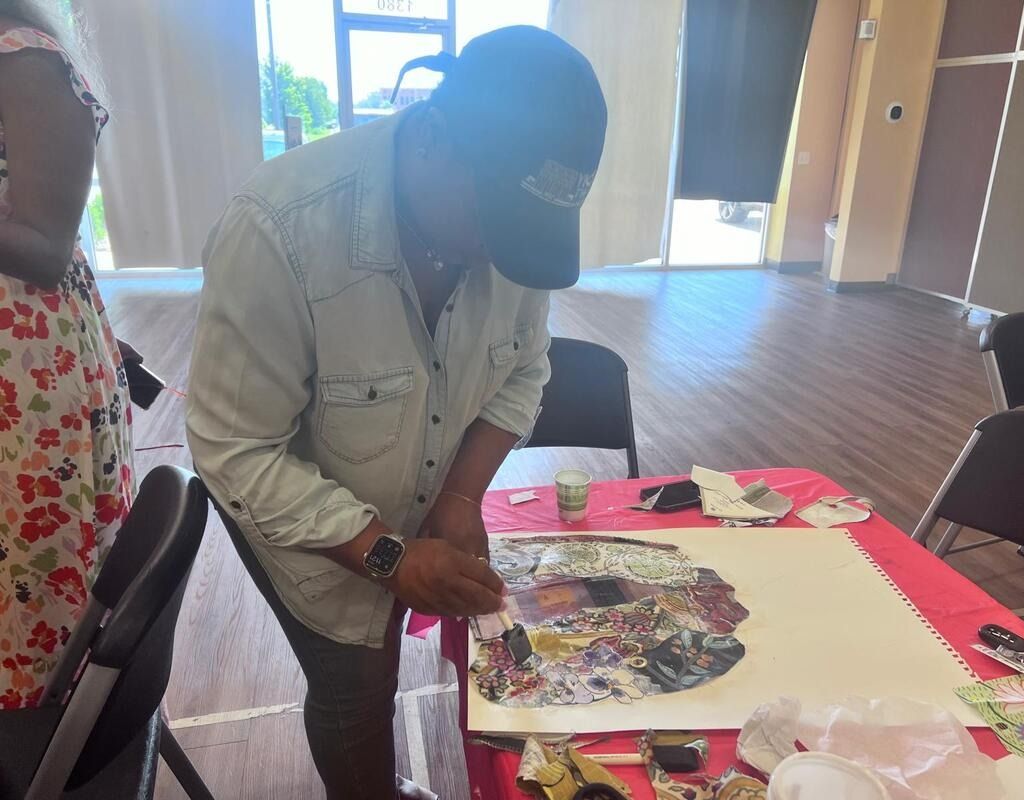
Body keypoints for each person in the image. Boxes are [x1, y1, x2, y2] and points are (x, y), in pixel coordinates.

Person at [187, 25, 606, 800]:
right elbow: (236, 451)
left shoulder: (509, 230)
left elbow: (524, 369)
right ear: (430, 140)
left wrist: (457, 497)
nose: (496, 256)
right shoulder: (278, 226)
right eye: (491, 225)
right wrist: (389, 555)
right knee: (355, 674)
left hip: (414, 470)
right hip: (295, 494)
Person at [0, 0, 134, 709]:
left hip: (24, 370)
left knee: (39, 563)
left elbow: (44, 250)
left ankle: (58, 726)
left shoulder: (23, 60)